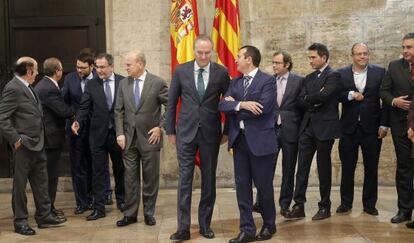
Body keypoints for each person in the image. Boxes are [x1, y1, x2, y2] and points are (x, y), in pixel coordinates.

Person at [166, 35, 230, 241]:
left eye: (207, 52)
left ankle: (205, 225)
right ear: (194, 51)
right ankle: (183, 228)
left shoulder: (221, 72)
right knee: (184, 181)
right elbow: (171, 102)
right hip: (185, 132)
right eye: (200, 52)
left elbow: (229, 104)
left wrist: (227, 131)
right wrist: (170, 131)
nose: (203, 56)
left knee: (208, 181)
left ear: (212, 52)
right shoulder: (181, 70)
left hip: (210, 134)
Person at [0, 57, 66, 235]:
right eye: (36, 70)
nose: (38, 73)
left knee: (41, 183)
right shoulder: (13, 88)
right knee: (20, 186)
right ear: (29, 70)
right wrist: (16, 139)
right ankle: (20, 221)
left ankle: (44, 216)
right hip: (24, 146)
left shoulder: (28, 87)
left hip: (38, 144)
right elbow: (3, 118)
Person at [219, 45, 277, 242]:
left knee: (263, 187)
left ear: (249, 59)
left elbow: (263, 107)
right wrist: (242, 104)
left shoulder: (267, 81)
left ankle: (269, 225)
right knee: (242, 187)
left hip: (261, 142)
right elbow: (222, 105)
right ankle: (247, 229)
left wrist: (234, 106)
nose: (235, 60)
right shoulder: (235, 82)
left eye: (239, 57)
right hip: (240, 142)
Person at [285, 43, 341, 221]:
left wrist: (311, 98)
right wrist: (314, 98)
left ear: (324, 57)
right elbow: (299, 101)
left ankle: (325, 206)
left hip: (325, 128)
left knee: (323, 168)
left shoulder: (334, 75)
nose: (310, 60)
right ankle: (298, 205)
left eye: (313, 57)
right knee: (302, 168)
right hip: (307, 127)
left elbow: (325, 96)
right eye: (309, 57)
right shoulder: (308, 78)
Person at [114, 50, 168, 227]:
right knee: (130, 178)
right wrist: (120, 133)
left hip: (150, 138)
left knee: (150, 178)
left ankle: (149, 213)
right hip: (128, 139)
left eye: (129, 64)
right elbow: (118, 111)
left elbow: (171, 107)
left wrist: (160, 127)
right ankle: (130, 214)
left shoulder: (157, 83)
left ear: (141, 64)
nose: (126, 67)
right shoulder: (123, 83)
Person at [336, 43, 389, 216]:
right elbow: (336, 95)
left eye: (365, 53)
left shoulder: (380, 72)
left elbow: (386, 100)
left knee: (371, 168)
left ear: (369, 54)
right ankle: (345, 203)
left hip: (372, 129)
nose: (362, 57)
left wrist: (384, 124)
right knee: (347, 167)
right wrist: (350, 95)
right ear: (352, 55)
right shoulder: (341, 73)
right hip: (349, 129)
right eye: (358, 54)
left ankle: (369, 204)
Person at [71, 53, 125, 220]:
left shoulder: (122, 82)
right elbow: (84, 106)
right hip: (97, 134)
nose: (99, 70)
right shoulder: (91, 84)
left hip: (117, 134)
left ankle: (122, 201)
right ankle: (99, 208)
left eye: (102, 67)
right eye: (97, 67)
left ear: (111, 66)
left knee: (120, 169)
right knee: (98, 171)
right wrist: (78, 121)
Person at [253, 50, 304, 217]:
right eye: (273, 62)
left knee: (288, 170)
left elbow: (302, 107)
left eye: (277, 63)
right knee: (266, 168)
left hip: (291, 131)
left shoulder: (298, 81)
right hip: (271, 130)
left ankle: (284, 204)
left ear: (287, 64)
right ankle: (261, 202)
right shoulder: (268, 81)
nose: (273, 66)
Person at [34, 57, 75, 217]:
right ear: (58, 71)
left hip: (49, 138)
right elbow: (63, 111)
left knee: (50, 176)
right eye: (61, 69)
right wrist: (79, 110)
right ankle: (46, 210)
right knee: (49, 177)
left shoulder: (45, 84)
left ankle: (49, 207)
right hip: (50, 139)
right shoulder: (48, 88)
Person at [381, 32, 414, 225]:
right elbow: (383, 91)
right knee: (403, 168)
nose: (405, 51)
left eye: (409, 47)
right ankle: (404, 210)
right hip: (400, 126)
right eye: (403, 47)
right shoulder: (394, 66)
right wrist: (394, 101)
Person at [62, 52, 96, 214]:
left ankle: (95, 198)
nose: (79, 70)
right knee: (78, 166)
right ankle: (82, 202)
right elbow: (64, 101)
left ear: (91, 66)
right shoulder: (70, 79)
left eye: (83, 68)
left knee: (94, 164)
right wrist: (74, 116)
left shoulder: (99, 78)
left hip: (95, 128)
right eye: (77, 67)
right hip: (76, 129)